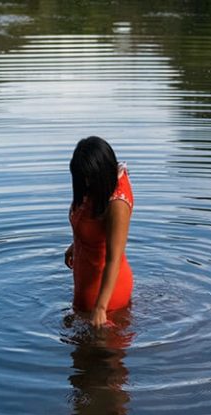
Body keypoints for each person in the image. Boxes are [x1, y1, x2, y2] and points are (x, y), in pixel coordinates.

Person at [64, 136, 134, 328]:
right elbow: (96, 228)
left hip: (105, 292)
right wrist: (75, 244)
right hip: (86, 275)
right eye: (81, 178)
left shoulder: (117, 204)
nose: (85, 183)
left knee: (104, 352)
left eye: (88, 178)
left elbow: (114, 258)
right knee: (79, 351)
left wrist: (101, 308)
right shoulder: (96, 187)